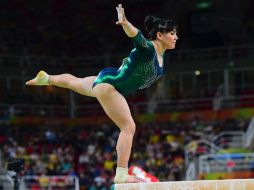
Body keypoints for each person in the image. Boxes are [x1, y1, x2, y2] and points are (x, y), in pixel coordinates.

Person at [26, 4, 178, 183]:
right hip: (110, 85)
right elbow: (137, 36)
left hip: (107, 81)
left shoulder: (161, 58)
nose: (176, 37)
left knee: (75, 83)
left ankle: (47, 78)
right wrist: (125, 23)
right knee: (128, 128)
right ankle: (121, 175)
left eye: (176, 33)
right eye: (172, 33)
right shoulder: (149, 50)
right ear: (159, 35)